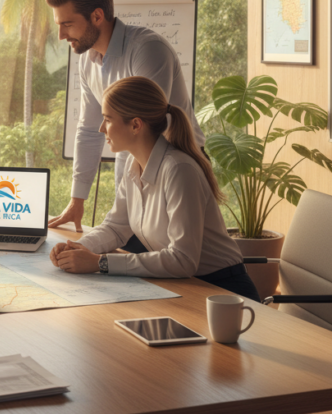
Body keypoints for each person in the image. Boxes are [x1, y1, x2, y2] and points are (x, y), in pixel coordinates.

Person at [49, 76, 259, 301]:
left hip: (223, 292)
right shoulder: (134, 164)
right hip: (184, 286)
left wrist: (100, 263)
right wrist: (76, 248)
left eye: (107, 119)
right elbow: (116, 227)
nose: (101, 128)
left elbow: (182, 260)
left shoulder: (179, 170)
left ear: (136, 125)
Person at [45, 0, 205, 232]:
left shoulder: (147, 50)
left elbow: (141, 133)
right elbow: (88, 131)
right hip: (139, 173)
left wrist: (122, 208)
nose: (61, 35)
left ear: (97, 16)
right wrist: (77, 200)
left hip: (178, 169)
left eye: (68, 24)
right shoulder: (87, 60)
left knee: (174, 264)